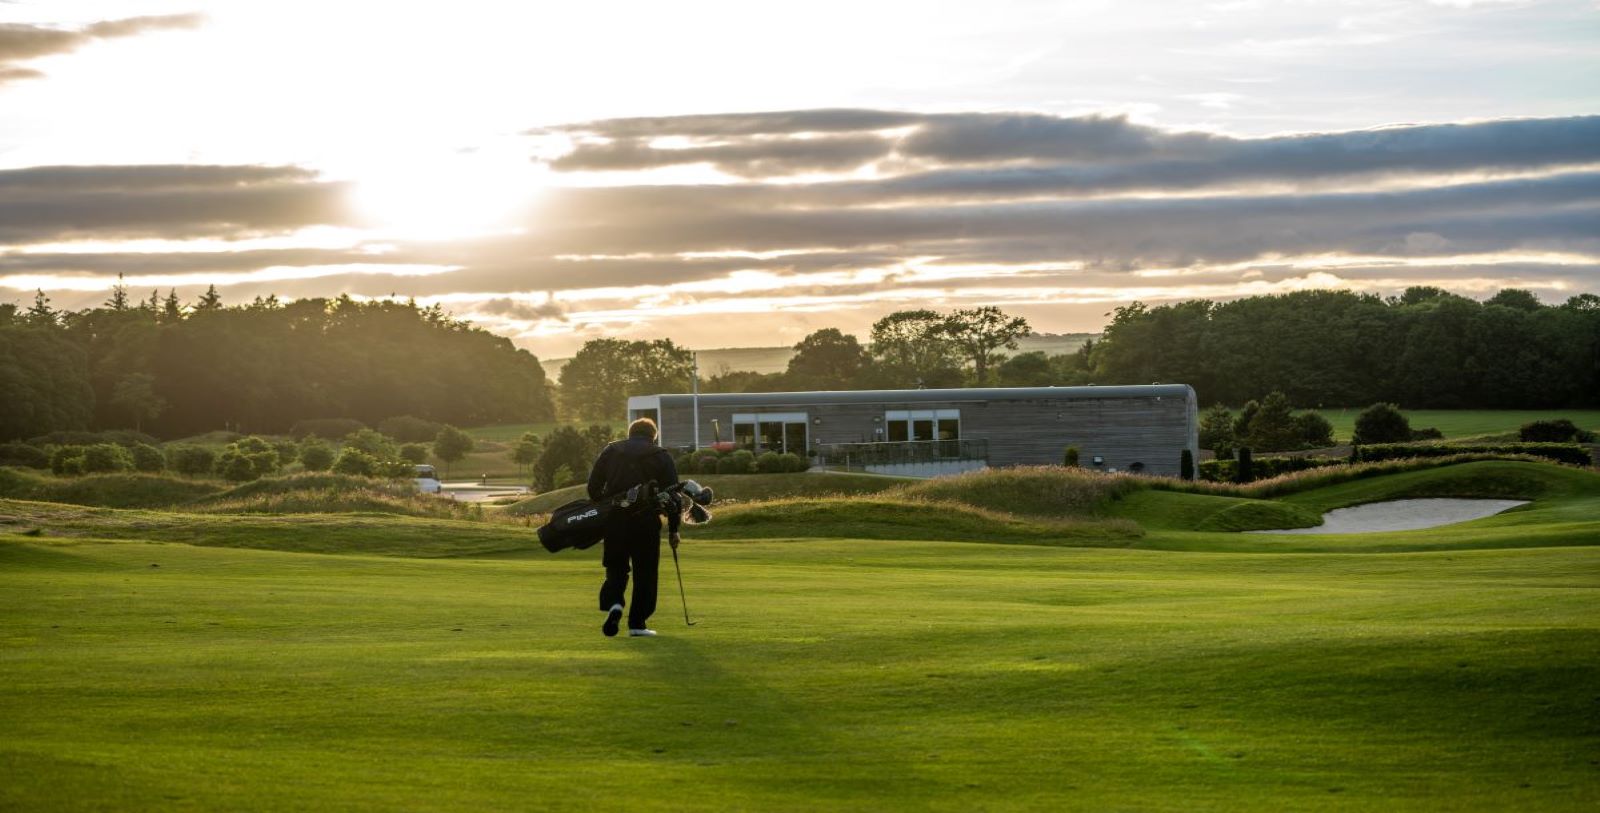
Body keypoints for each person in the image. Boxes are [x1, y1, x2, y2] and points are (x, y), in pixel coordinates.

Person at [587, 417, 680, 638]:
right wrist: (674, 529)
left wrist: (606, 505)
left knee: (616, 568)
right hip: (646, 522)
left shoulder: (611, 451)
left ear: (630, 433)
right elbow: (673, 495)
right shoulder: (661, 456)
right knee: (645, 572)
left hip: (615, 520)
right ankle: (637, 624)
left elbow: (593, 487)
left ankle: (615, 604)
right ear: (653, 436)